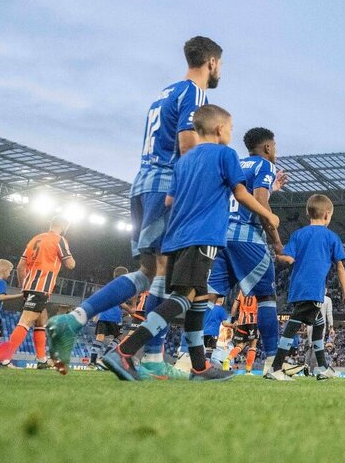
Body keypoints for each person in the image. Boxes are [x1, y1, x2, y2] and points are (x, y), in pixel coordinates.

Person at [49, 37, 224, 379]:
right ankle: (153, 359)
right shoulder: (195, 94)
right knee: (163, 271)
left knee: (148, 273)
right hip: (165, 184)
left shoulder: (164, 93)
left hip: (142, 182)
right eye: (221, 66)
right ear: (212, 63)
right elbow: (188, 147)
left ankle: (74, 320)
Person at [102, 104, 279, 382]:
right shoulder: (226, 154)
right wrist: (268, 213)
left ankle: (199, 367)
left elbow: (170, 200)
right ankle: (125, 350)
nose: (230, 133)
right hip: (204, 236)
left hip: (176, 237)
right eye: (230, 128)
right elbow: (241, 191)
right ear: (220, 129)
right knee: (184, 298)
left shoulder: (184, 160)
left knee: (198, 300)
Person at [207, 127, 286, 376]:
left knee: (210, 298)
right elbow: (261, 206)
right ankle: (273, 365)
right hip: (247, 237)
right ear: (267, 147)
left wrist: (270, 189)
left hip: (221, 235)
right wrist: (277, 243)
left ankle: (191, 356)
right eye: (275, 146)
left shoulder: (236, 164)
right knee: (266, 298)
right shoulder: (265, 165)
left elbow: (239, 197)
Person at [266, 194, 345, 381]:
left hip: (298, 287)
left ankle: (323, 367)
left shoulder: (298, 234)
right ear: (328, 214)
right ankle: (275, 368)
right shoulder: (331, 237)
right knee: (294, 324)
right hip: (313, 289)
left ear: (307, 213)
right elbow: (339, 266)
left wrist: (279, 255)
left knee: (319, 323)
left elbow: (286, 258)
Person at [0, 217, 76, 370]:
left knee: (41, 321)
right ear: (65, 226)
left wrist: (24, 287)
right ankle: (3, 358)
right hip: (41, 286)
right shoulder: (59, 239)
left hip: (30, 286)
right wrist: (70, 256)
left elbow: (21, 266)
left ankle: (41, 360)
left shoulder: (35, 239)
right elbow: (70, 264)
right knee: (25, 321)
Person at [91, 266, 132, 367]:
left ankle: (92, 361)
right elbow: (121, 303)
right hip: (114, 316)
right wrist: (130, 310)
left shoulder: (108, 286)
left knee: (99, 337)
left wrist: (96, 314)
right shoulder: (121, 287)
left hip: (103, 315)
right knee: (119, 337)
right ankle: (104, 357)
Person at [0, 259, 25, 367]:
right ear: (4, 270)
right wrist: (20, 295)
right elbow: (1, 297)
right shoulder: (1, 283)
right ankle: (1, 362)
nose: (9, 274)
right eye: (9, 271)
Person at [226, 291, 259, 373]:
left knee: (240, 345)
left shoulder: (242, 290)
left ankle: (228, 359)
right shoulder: (258, 290)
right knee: (252, 345)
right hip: (253, 321)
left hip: (241, 321)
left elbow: (235, 305)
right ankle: (248, 370)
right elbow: (260, 307)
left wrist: (233, 319)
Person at [304, 292, 334, 375]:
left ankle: (306, 365)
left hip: (310, 324)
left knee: (310, 346)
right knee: (316, 347)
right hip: (320, 324)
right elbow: (329, 314)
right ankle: (311, 371)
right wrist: (331, 327)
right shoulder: (327, 299)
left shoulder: (313, 296)